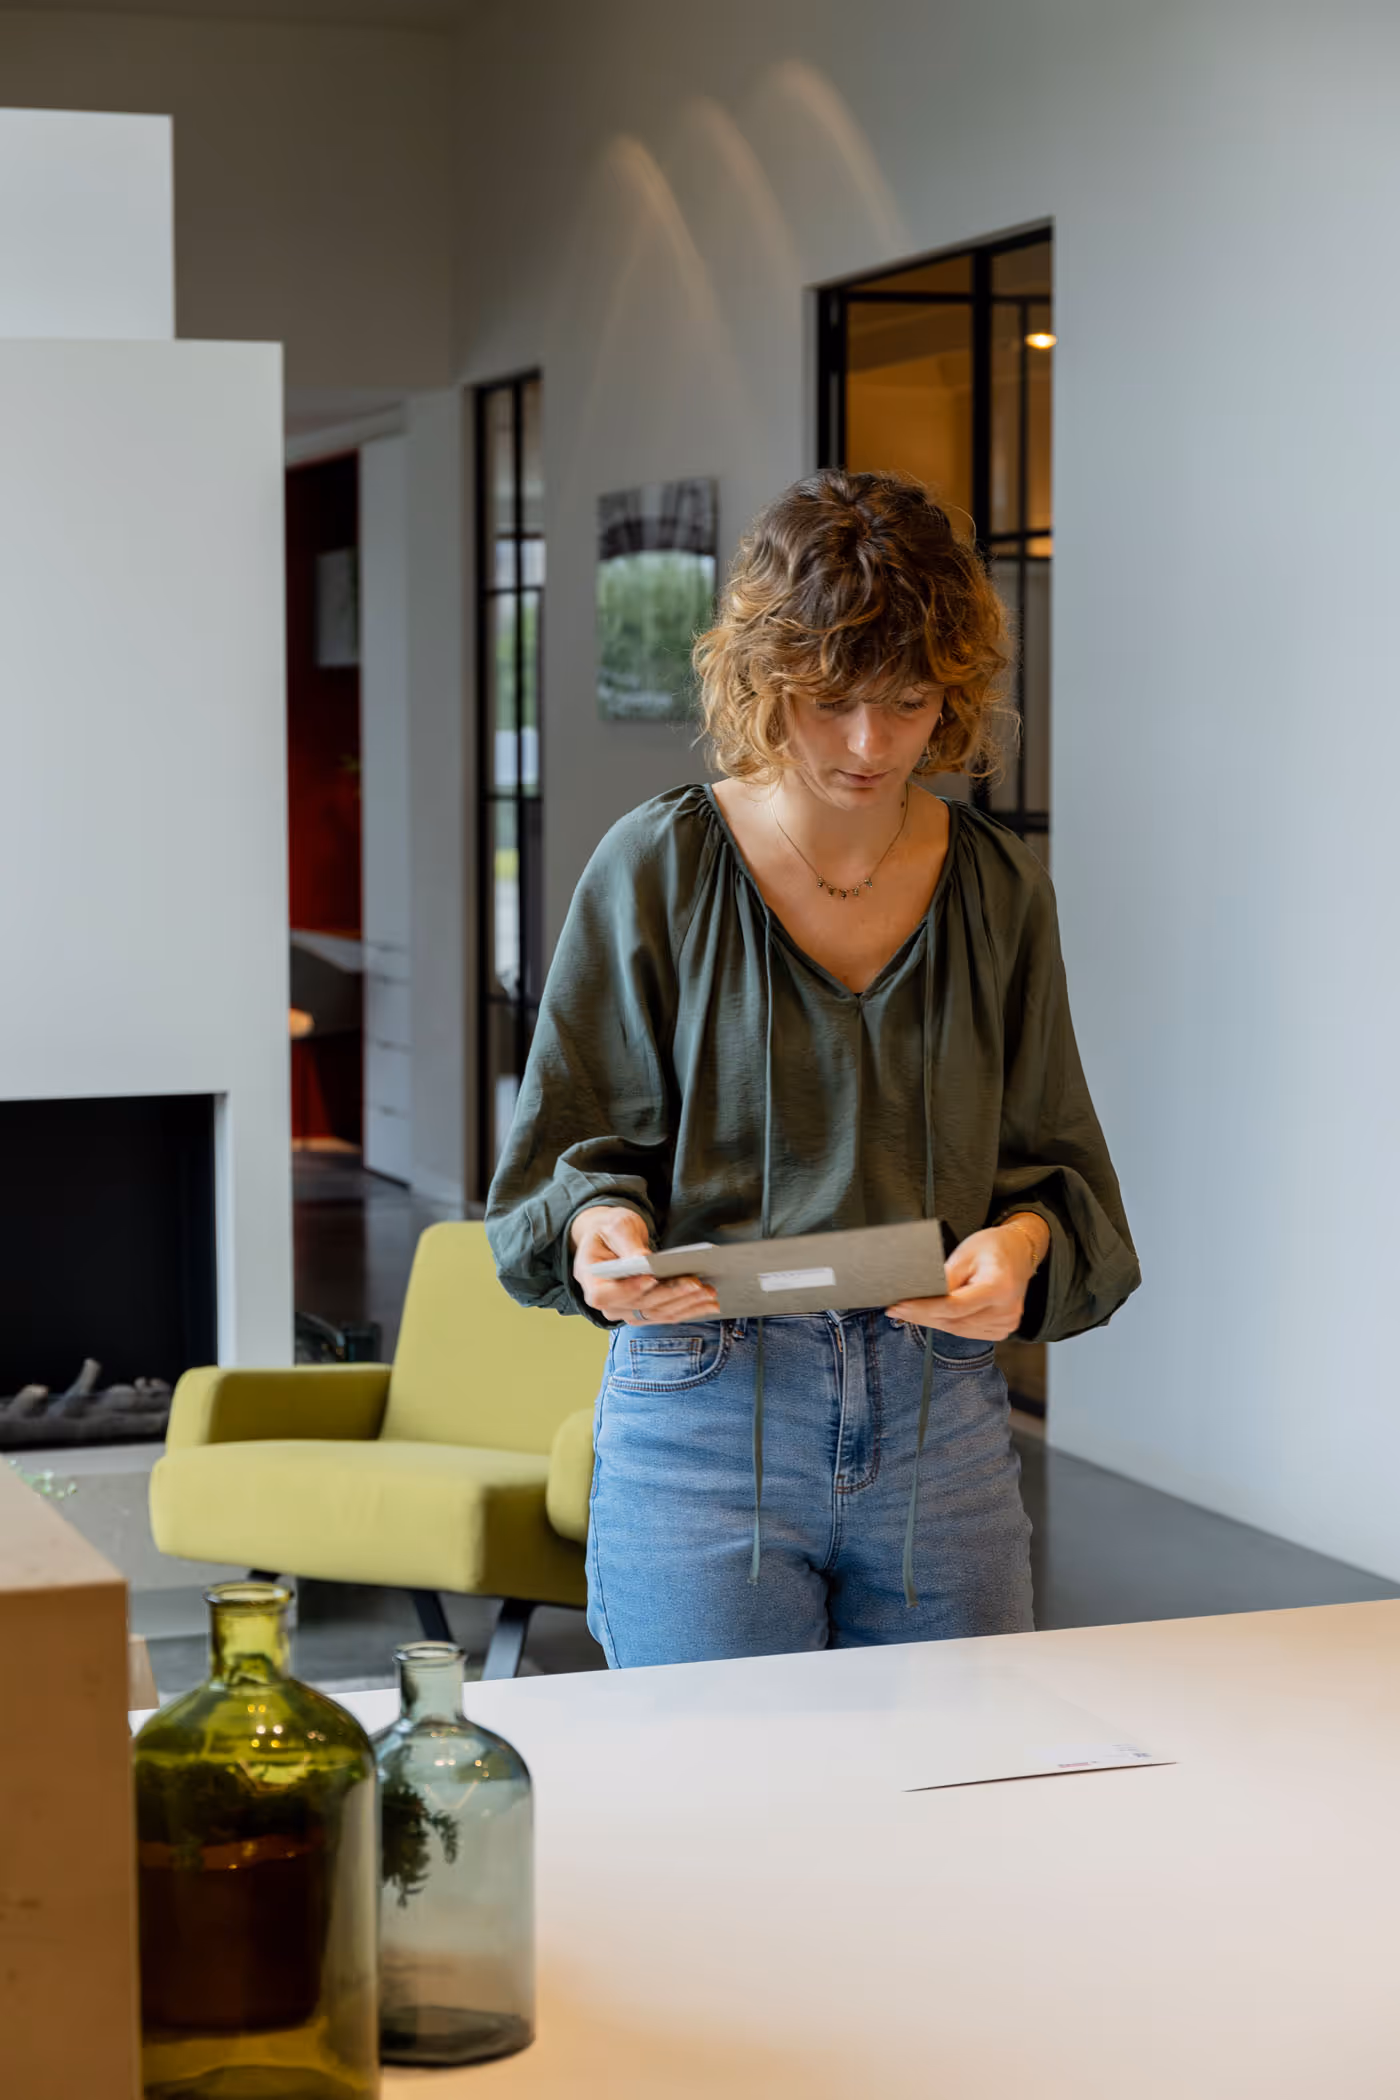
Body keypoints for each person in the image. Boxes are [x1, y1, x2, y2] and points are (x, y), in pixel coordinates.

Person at [486, 469, 1139, 1667]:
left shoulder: (999, 892)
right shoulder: (659, 866)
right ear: (762, 677)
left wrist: (1021, 1249)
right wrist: (600, 1233)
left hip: (941, 1421)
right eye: (829, 700)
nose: (867, 744)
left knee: (958, 1806)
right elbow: (569, 1155)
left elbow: (1054, 1170)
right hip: (701, 1414)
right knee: (722, 1829)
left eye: (904, 701)